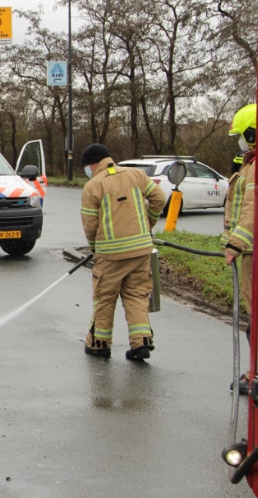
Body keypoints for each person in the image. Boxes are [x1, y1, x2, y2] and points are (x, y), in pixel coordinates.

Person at [80, 144, 167, 360]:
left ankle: (99, 344)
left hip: (110, 255)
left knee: (105, 298)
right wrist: (148, 224)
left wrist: (94, 248)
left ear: (93, 164)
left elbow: (90, 225)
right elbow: (159, 199)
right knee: (136, 295)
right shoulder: (136, 175)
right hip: (140, 251)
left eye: (86, 166)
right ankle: (142, 343)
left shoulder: (93, 186)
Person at [222, 105, 256, 393]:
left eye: (241, 135)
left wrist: (235, 244)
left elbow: (251, 209)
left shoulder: (255, 166)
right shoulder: (249, 164)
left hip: (251, 253)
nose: (239, 141)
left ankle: (256, 374)